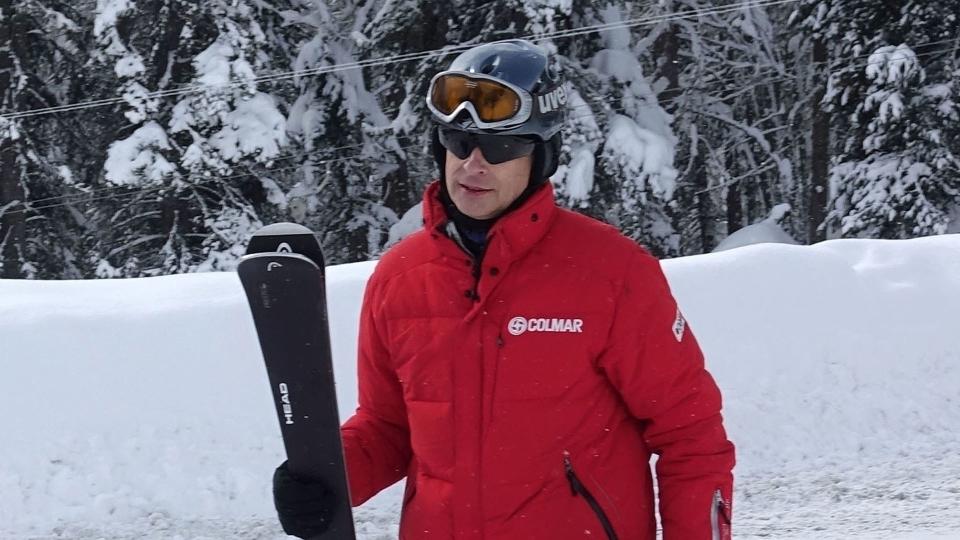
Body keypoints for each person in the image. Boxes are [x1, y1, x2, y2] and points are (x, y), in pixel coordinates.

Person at [272, 39, 735, 540]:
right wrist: (328, 478)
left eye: (500, 147)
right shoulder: (399, 279)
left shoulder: (612, 274)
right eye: (457, 142)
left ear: (541, 157)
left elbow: (690, 435)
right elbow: (390, 428)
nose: (473, 165)